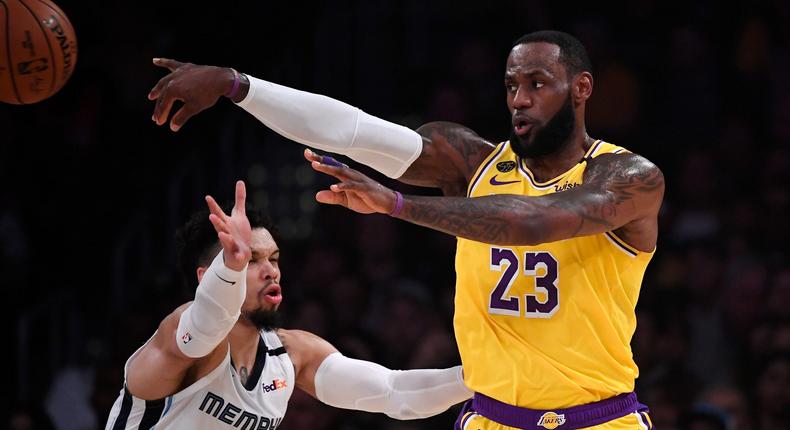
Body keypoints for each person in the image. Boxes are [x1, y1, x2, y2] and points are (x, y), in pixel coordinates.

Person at [149, 30, 664, 429]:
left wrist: (396, 205)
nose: (519, 100)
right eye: (511, 86)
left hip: (600, 417)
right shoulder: (469, 163)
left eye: (536, 84)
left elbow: (531, 223)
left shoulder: (628, 179)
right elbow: (351, 130)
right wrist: (238, 86)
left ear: (581, 89)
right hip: (492, 417)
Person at [104, 181, 471, 429]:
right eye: (251, 260)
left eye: (274, 259)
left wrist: (479, 379)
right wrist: (231, 267)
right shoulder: (180, 335)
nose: (269, 271)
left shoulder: (292, 353)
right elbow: (206, 323)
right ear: (208, 275)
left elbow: (395, 393)